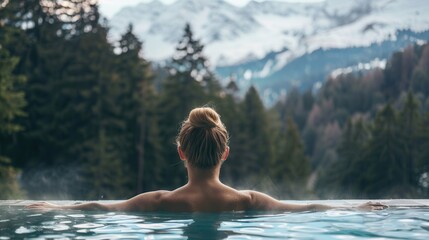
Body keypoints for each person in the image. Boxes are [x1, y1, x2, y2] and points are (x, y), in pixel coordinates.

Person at [27, 107, 387, 212]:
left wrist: (52, 209)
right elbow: (308, 208)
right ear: (225, 154)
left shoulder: (158, 202)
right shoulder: (249, 201)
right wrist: (356, 211)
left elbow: (98, 209)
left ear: (181, 152)